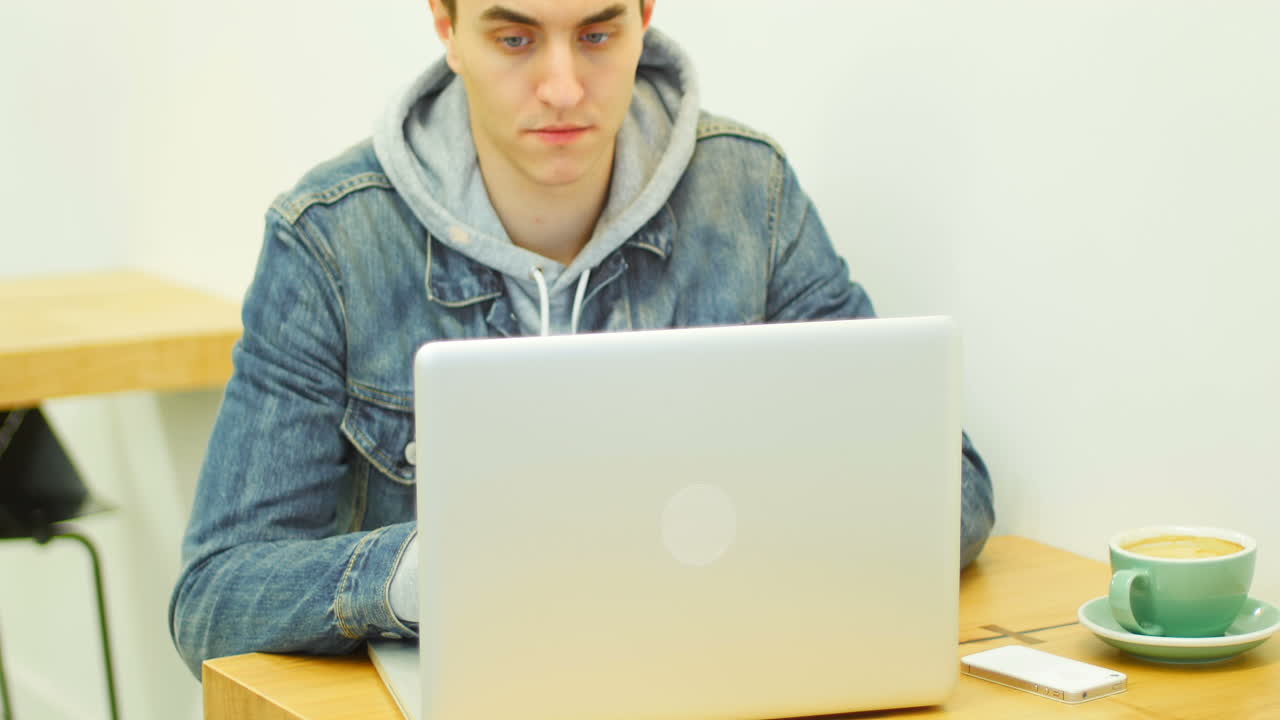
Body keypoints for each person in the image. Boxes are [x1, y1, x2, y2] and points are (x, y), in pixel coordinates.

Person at [168, 0, 995, 678]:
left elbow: (951, 493)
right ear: (446, 27)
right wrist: (432, 575)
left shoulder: (751, 195)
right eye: (515, 38)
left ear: (645, 18)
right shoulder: (331, 240)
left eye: (597, 35)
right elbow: (214, 599)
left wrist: (745, 542)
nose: (563, 88)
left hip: (717, 673)